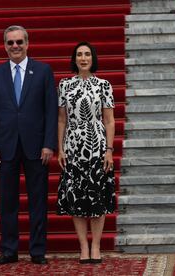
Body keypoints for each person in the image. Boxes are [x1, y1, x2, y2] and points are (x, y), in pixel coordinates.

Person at [0, 25, 58, 265]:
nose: (15, 46)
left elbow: (50, 111)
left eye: (19, 42)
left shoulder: (44, 71)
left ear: (27, 43)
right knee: (8, 202)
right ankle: (9, 250)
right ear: (4, 46)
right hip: (5, 148)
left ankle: (37, 251)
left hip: (37, 147)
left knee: (38, 201)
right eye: (10, 43)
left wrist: (49, 144)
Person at [56, 42, 116, 264]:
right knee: (77, 198)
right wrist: (60, 148)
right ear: (74, 59)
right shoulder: (64, 85)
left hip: (98, 147)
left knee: (97, 198)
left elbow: (109, 120)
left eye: (87, 54)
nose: (83, 58)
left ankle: (96, 246)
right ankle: (83, 246)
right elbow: (61, 119)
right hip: (73, 148)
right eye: (79, 54)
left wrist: (109, 150)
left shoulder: (103, 85)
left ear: (93, 58)